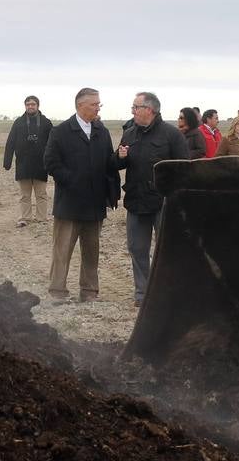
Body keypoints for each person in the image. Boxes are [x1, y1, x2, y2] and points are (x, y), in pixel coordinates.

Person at [43, 87, 120, 302]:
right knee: (62, 251)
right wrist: (72, 180)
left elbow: (108, 163)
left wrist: (120, 158)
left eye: (99, 104)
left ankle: (89, 292)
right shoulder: (60, 132)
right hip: (69, 204)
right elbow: (50, 163)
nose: (98, 108)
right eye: (95, 104)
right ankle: (57, 292)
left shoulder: (101, 132)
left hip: (95, 204)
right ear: (80, 105)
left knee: (91, 252)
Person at [115, 92, 190, 307]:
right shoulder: (129, 133)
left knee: (167, 250)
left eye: (135, 107)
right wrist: (119, 157)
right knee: (137, 248)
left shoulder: (172, 135)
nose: (132, 111)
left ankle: (169, 292)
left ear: (150, 109)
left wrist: (178, 199)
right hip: (137, 201)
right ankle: (143, 293)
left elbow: (184, 168)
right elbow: (117, 163)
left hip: (163, 202)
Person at [2, 95, 53, 226]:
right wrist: (7, 162)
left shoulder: (46, 123)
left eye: (33, 104)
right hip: (23, 164)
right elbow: (10, 142)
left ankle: (42, 218)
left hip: (41, 165)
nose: (30, 106)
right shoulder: (18, 122)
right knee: (24, 195)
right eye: (28, 104)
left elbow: (53, 143)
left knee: (41, 194)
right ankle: (25, 218)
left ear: (38, 106)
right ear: (25, 106)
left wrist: (53, 162)